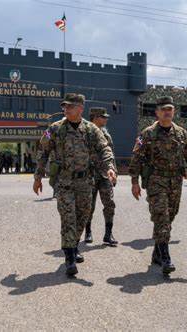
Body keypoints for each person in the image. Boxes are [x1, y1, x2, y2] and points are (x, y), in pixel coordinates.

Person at [33, 93, 117, 276]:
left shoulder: (91, 129)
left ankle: (74, 244)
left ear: (81, 108)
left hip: (85, 181)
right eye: (65, 106)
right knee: (68, 218)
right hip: (64, 181)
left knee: (82, 216)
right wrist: (38, 177)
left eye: (71, 106)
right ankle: (69, 257)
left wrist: (109, 167)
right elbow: (43, 151)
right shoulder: (55, 129)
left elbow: (104, 148)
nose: (67, 109)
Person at [129, 96, 187, 276]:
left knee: (170, 217)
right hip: (155, 181)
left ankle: (156, 253)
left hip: (175, 182)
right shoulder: (147, 134)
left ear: (173, 112)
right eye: (163, 109)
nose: (167, 112)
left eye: (170, 109)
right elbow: (137, 158)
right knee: (161, 217)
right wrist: (134, 182)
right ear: (157, 113)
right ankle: (166, 259)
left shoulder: (181, 133)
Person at [84, 107, 118, 246]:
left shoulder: (106, 134)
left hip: (104, 175)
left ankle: (108, 234)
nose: (106, 119)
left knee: (109, 204)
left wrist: (113, 170)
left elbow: (111, 154)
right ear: (95, 118)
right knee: (88, 205)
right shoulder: (85, 132)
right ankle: (87, 231)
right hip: (89, 175)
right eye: (103, 117)